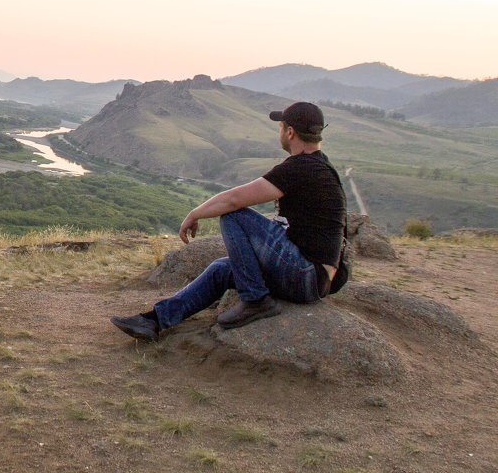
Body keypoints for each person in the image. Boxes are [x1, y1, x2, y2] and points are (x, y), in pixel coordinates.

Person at [111, 102, 347, 341]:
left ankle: (256, 300)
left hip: (306, 275)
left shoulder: (303, 167)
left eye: (281, 127)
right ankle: (154, 321)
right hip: (310, 277)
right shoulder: (320, 164)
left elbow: (234, 200)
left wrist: (195, 213)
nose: (280, 132)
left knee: (234, 215)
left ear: (290, 132)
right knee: (221, 269)